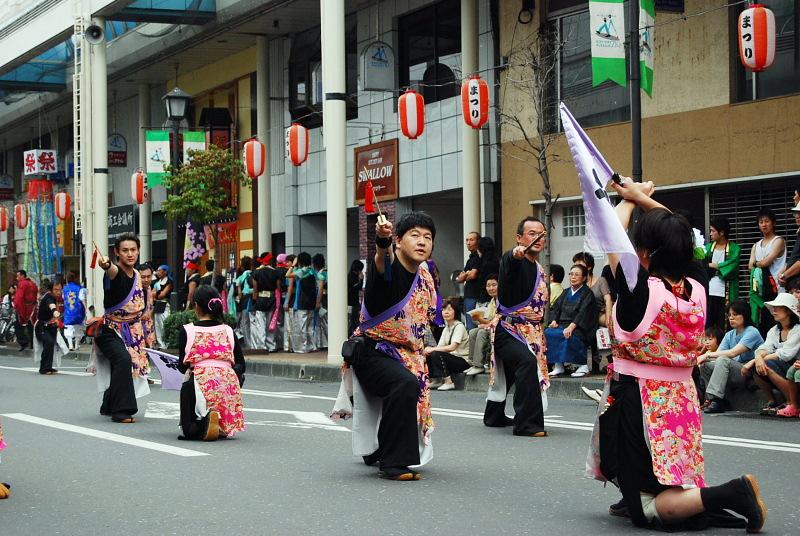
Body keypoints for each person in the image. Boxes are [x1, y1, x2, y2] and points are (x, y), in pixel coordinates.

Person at [587, 176, 766, 533]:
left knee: (652, 508)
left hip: (640, 397)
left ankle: (733, 493)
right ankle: (641, 492)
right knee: (670, 471)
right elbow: (684, 240)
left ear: (644, 254)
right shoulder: (698, 285)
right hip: (682, 397)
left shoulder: (640, 288)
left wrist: (630, 200)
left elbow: (612, 234)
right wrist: (642, 198)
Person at [331, 212, 439, 481]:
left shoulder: (425, 276)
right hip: (372, 351)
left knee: (406, 383)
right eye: (414, 235)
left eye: (427, 237)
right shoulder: (388, 269)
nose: (422, 241)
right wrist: (381, 240)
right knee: (403, 384)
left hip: (408, 354)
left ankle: (377, 451)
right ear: (399, 241)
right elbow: (381, 259)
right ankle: (393, 464)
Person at [483, 216, 549, 437]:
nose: (537, 238)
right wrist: (514, 254)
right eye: (532, 233)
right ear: (519, 238)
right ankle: (526, 424)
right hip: (508, 330)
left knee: (511, 371)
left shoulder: (539, 268)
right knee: (526, 362)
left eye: (541, 234)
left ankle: (493, 416)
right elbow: (509, 260)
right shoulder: (512, 261)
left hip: (530, 331)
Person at [90, 233, 151, 424]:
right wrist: (106, 265)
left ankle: (108, 405)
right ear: (117, 252)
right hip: (109, 329)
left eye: (133, 250)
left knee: (123, 364)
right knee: (123, 360)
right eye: (125, 250)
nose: (130, 254)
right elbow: (113, 272)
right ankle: (122, 411)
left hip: (133, 330)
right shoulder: (113, 273)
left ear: (138, 251)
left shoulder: (139, 275)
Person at [177, 285, 246, 440]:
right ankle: (221, 423)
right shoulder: (228, 330)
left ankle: (201, 424)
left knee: (190, 430)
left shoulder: (188, 331)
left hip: (202, 382)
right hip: (227, 384)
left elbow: (182, 367)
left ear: (196, 306)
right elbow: (241, 364)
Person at [699, 301, 764, 414]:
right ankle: (717, 399)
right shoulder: (730, 334)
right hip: (735, 372)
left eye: (735, 314)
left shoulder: (752, 332)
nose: (731, 318)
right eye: (729, 315)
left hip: (749, 374)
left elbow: (733, 353)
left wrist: (707, 354)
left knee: (723, 359)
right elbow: (717, 355)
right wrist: (701, 358)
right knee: (705, 364)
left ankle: (716, 400)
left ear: (745, 314)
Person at [743, 293, 800, 418]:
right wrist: (758, 358)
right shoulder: (774, 330)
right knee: (757, 367)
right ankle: (774, 401)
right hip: (782, 365)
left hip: (794, 365)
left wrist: (755, 360)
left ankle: (792, 403)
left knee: (766, 365)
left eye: (778, 307)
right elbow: (764, 348)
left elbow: (786, 354)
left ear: (789, 311)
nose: (774, 310)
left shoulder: (797, 329)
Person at [546, 263, 597, 378]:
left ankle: (583, 365)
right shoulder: (566, 292)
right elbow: (557, 308)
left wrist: (572, 326)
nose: (573, 277)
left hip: (580, 327)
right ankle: (558, 365)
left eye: (577, 275)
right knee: (549, 332)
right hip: (563, 324)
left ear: (584, 278)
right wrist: (554, 320)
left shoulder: (587, 293)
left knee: (566, 334)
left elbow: (583, 312)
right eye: (571, 274)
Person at [748, 208, 786, 336]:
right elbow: (749, 266)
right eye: (760, 222)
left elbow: (765, 262)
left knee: (777, 325)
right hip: (760, 292)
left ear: (773, 223)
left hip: (777, 289)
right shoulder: (756, 245)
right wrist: (758, 263)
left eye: (766, 221)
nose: (763, 224)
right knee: (761, 324)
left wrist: (757, 263)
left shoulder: (779, 241)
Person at [574, 252, 611, 375]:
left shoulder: (600, 281)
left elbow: (608, 299)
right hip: (584, 316)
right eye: (575, 264)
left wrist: (609, 315)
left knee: (613, 325)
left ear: (589, 267)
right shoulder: (578, 283)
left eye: (579, 264)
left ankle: (614, 358)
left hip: (599, 313)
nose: (576, 267)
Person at [425, 297, 470, 391]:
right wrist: (429, 350)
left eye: (449, 309)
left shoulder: (459, 326)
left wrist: (432, 349)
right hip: (452, 359)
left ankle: (448, 382)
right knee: (429, 353)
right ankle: (436, 380)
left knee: (435, 353)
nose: (446, 312)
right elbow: (440, 347)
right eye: (444, 309)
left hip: (462, 361)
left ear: (456, 312)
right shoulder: (446, 328)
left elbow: (452, 347)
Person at [704, 216, 741, 329]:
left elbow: (733, 266)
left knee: (724, 324)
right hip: (709, 292)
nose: (710, 233)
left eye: (713, 231)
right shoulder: (708, 247)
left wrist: (714, 265)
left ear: (722, 232)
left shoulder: (735, 248)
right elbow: (701, 265)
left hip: (726, 293)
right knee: (708, 323)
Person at [466, 274, 499, 376]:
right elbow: (488, 319)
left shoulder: (503, 300)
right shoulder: (492, 301)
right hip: (492, 326)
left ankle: (478, 365)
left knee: (482, 332)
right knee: (472, 332)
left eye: (494, 285)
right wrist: (478, 319)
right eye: (488, 285)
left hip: (502, 328)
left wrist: (482, 322)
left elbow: (498, 320)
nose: (491, 288)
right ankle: (472, 363)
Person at [287, 252, 317, 353]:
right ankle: (311, 345)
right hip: (311, 302)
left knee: (302, 326)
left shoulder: (301, 271)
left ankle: (302, 347)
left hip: (302, 302)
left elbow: (287, 275)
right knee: (310, 326)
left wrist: (292, 265)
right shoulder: (312, 271)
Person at [34, 279, 62, 375]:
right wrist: (54, 311)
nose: (58, 292)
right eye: (56, 290)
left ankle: (48, 367)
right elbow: (51, 305)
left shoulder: (54, 297)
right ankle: (43, 368)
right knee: (49, 342)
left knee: (51, 344)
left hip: (50, 326)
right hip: (41, 326)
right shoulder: (48, 297)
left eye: (60, 290)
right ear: (50, 290)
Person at [250, 252, 275, 350]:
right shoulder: (274, 272)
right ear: (269, 260)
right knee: (270, 324)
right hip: (272, 299)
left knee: (260, 324)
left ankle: (261, 346)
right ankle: (271, 345)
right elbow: (277, 287)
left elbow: (255, 288)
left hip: (260, 299)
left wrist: (254, 299)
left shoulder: (256, 272)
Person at [456, 231, 481, 329]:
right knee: (469, 324)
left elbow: (473, 275)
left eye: (471, 240)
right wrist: (466, 274)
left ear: (478, 242)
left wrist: (465, 275)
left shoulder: (478, 257)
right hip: (468, 294)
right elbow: (459, 279)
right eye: (467, 240)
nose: (468, 242)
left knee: (472, 325)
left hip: (475, 295)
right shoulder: (470, 258)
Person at [13, 269, 38, 351]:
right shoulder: (33, 284)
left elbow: (19, 297)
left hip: (24, 307)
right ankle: (33, 343)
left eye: (18, 276)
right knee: (31, 326)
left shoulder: (22, 284)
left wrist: (17, 307)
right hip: (32, 308)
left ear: (22, 275)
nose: (17, 278)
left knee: (18, 325)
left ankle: (24, 342)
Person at [62, 272, 87, 351]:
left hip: (68, 312)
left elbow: (63, 298)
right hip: (78, 311)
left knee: (68, 328)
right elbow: (82, 299)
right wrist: (86, 309)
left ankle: (70, 346)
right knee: (78, 328)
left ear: (67, 279)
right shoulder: (80, 288)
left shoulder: (65, 288)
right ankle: (76, 345)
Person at [778, 203, 800, 286]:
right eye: (796, 213)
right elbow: (794, 258)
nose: (797, 216)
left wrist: (784, 275)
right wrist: (782, 273)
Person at [235, 256, 254, 348]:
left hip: (245, 300)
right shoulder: (254, 273)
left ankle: (248, 343)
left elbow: (239, 291)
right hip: (254, 299)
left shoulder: (242, 276)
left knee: (245, 322)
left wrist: (239, 294)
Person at [153, 265, 173, 350]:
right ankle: (161, 343)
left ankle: (166, 343)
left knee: (164, 323)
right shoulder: (157, 282)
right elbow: (153, 294)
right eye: (157, 270)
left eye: (159, 270)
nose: (157, 272)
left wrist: (156, 294)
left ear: (165, 272)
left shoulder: (169, 282)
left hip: (165, 304)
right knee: (157, 324)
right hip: (158, 304)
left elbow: (162, 295)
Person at [137, 263, 157, 351]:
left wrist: (149, 313)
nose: (146, 279)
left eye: (149, 276)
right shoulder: (133, 289)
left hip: (147, 327)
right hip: (135, 328)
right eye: (143, 277)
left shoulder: (149, 288)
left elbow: (151, 306)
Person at [476, 236, 500, 308]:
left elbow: (482, 282)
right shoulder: (497, 260)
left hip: (486, 298)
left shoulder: (484, 263)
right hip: (494, 297)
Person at [313, 253, 328, 349]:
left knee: (324, 322)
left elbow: (320, 288)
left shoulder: (321, 274)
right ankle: (324, 343)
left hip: (323, 299)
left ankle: (325, 343)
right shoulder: (327, 271)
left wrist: (318, 302)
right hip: (329, 299)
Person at [347, 260, 364, 335]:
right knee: (353, 321)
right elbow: (358, 287)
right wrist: (361, 279)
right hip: (352, 302)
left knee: (353, 321)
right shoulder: (351, 277)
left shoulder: (350, 275)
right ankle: (352, 335)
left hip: (353, 302)